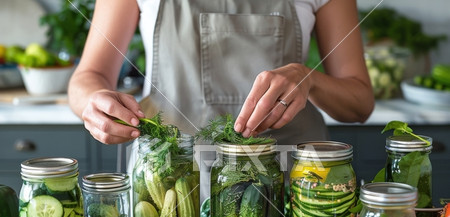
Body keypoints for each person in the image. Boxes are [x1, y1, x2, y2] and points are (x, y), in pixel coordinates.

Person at [68, 0, 374, 147]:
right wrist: (93, 102)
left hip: (292, 189)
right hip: (168, 189)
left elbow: (360, 102)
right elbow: (89, 76)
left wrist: (309, 78)